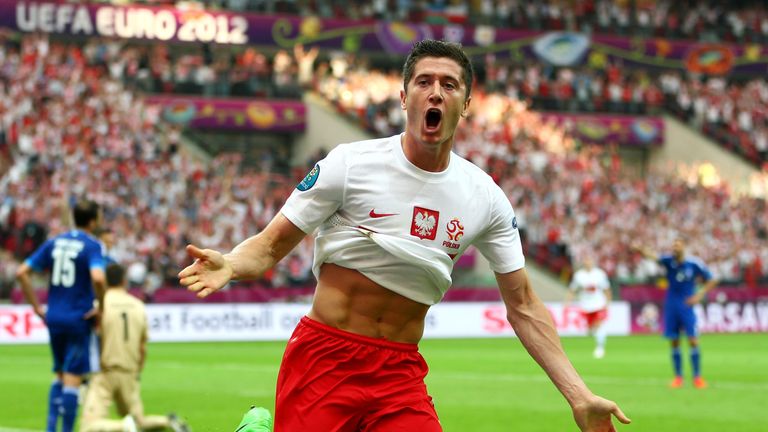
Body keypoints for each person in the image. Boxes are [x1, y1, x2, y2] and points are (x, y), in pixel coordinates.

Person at [179, 40, 630, 431]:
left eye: (449, 85)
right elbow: (271, 245)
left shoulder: (485, 197)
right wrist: (232, 264)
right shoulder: (350, 164)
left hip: (398, 373)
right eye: (424, 82)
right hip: (325, 358)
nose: (436, 92)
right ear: (404, 97)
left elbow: (525, 306)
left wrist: (579, 395)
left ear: (466, 103)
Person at [17, 200, 107, 432]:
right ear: (93, 220)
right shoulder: (93, 246)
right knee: (73, 377)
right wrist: (101, 305)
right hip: (78, 317)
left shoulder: (54, 242)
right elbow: (98, 278)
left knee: (59, 373)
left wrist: (36, 306)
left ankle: (50, 428)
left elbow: (22, 272)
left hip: (54, 316)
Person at [80, 263, 189, 432]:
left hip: (106, 371)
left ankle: (123, 426)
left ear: (107, 281)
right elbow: (142, 347)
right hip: (130, 372)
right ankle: (167, 421)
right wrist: (137, 371)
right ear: (124, 281)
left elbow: (90, 337)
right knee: (139, 421)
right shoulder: (138, 305)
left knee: (89, 426)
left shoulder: (100, 305)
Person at [633, 238, 718, 389]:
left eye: (677, 246)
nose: (674, 248)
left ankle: (697, 377)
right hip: (671, 305)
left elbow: (712, 279)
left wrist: (699, 295)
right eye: (673, 246)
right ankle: (678, 377)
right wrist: (640, 249)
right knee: (674, 341)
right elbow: (653, 256)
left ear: (683, 247)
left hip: (686, 306)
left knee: (693, 340)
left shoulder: (694, 263)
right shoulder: (668, 261)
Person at [567, 256, 612, 359]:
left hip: (599, 304)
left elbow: (606, 289)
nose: (588, 263)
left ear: (593, 262)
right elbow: (572, 289)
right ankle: (595, 338)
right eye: (586, 260)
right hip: (586, 305)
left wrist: (608, 302)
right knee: (591, 329)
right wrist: (568, 302)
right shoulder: (579, 275)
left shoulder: (599, 274)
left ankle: (600, 348)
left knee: (598, 325)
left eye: (589, 260)